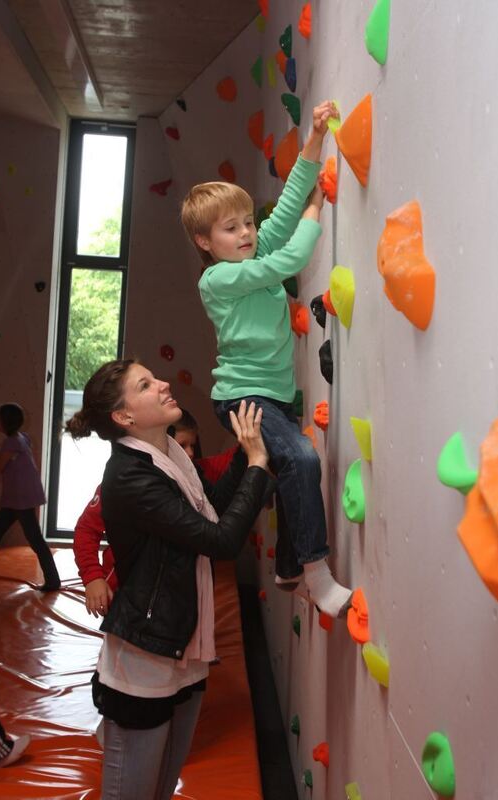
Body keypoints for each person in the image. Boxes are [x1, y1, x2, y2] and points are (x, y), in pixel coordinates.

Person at [66, 359, 269, 800]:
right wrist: (256, 466)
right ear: (125, 417)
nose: (162, 384)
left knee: (160, 790)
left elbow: (211, 504)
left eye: (154, 377)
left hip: (184, 646)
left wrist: (245, 448)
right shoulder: (130, 475)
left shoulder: (172, 452)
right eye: (146, 384)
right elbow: (220, 539)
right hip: (145, 659)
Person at [181, 100, 353, 618]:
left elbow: (276, 222)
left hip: (271, 395)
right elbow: (291, 258)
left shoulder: (248, 255)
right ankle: (316, 574)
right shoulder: (220, 278)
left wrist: (314, 140)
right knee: (301, 459)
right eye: (230, 229)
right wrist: (316, 213)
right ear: (205, 243)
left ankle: (285, 566)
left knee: (289, 472)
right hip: (242, 396)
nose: (246, 233)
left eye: (244, 223)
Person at [73, 410, 238, 618]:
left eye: (193, 446)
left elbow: (226, 462)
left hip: (168, 595)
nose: (190, 453)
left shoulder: (192, 477)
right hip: (126, 590)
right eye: (183, 445)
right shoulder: (125, 483)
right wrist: (93, 577)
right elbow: (86, 530)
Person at [0, 403, 60, 591]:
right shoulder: (23, 438)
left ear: (5, 423)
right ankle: (53, 579)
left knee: (34, 538)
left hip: (21, 499)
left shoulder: (11, 442)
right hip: (17, 498)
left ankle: (53, 580)